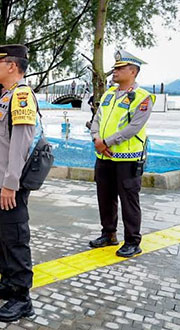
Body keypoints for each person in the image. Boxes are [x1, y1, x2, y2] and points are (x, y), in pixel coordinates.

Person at [0, 44, 37, 322]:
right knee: (0, 237)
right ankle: (7, 281)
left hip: (10, 185)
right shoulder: (6, 96)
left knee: (14, 239)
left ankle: (22, 297)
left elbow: (20, 144)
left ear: (12, 66)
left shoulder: (22, 96)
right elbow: (0, 143)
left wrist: (11, 183)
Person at [89, 50, 154, 258]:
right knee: (105, 198)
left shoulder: (143, 97)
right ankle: (108, 234)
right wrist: (96, 139)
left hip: (128, 159)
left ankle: (133, 241)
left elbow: (134, 127)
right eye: (115, 68)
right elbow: (97, 119)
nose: (114, 71)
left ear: (133, 72)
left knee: (129, 201)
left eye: (119, 68)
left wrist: (106, 141)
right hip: (104, 157)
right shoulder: (109, 94)